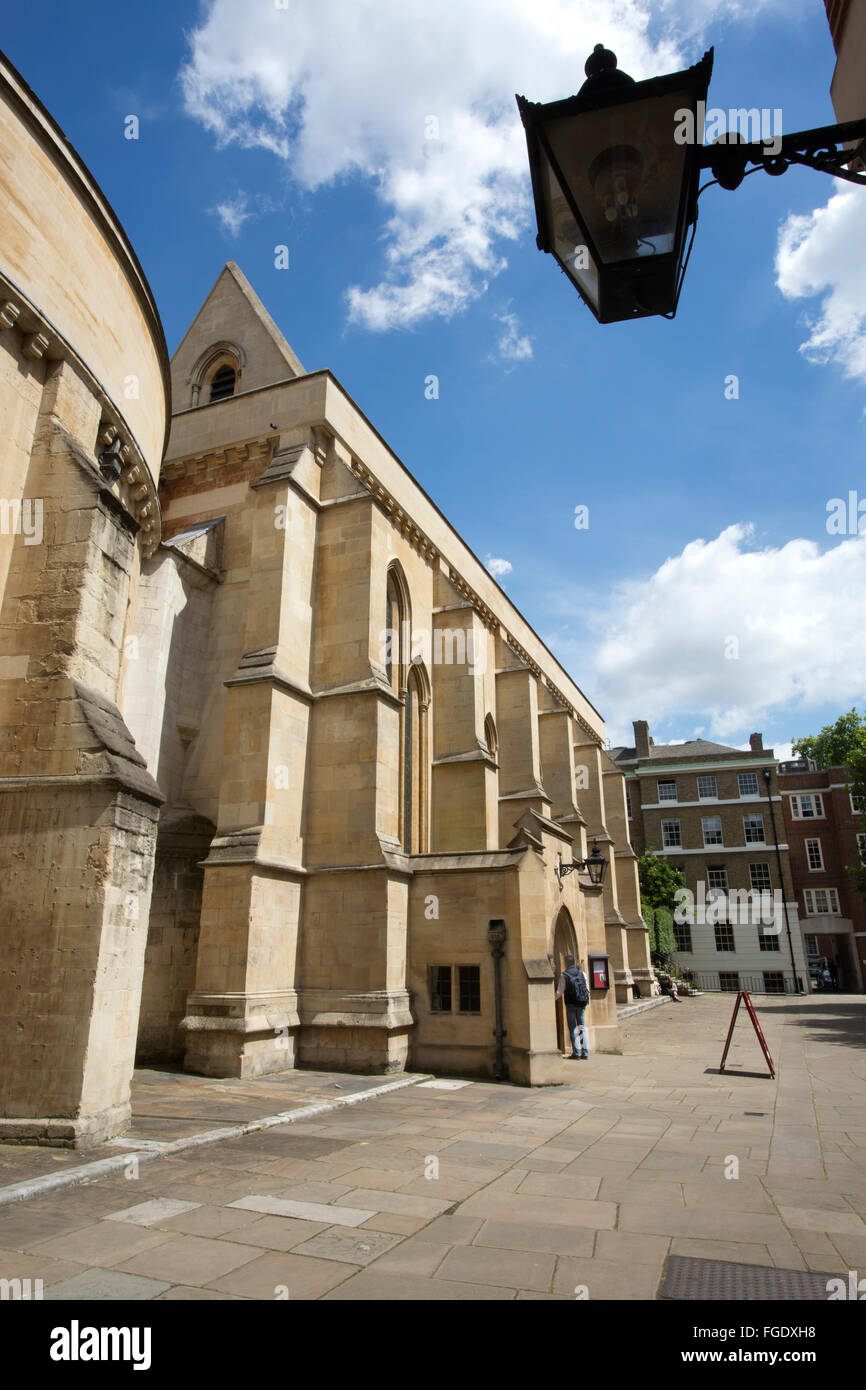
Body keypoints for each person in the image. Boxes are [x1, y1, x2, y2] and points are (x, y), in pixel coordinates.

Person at [555, 955, 590, 1059]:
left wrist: (551, 999)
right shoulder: (582, 973)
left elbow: (559, 992)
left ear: (565, 963)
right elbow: (587, 989)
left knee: (573, 1028)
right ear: (574, 962)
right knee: (582, 1027)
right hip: (581, 1003)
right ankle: (585, 1052)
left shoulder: (564, 975)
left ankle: (576, 1053)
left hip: (570, 1004)